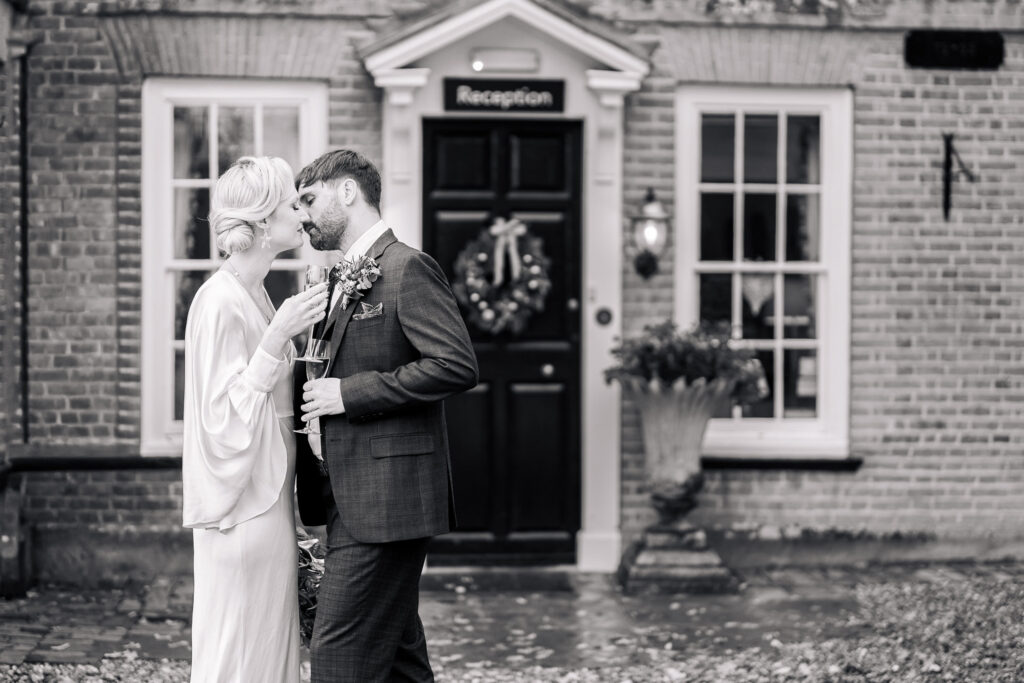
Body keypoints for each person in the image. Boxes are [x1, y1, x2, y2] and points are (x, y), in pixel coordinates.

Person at [293, 149, 478, 682]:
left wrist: (349, 394)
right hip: (347, 496)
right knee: (400, 664)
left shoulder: (407, 268)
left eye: (309, 199)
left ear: (347, 192)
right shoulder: (338, 280)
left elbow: (455, 365)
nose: (302, 216)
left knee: (338, 659)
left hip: (387, 499)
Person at [181, 156, 329, 683]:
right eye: (294, 202)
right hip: (243, 512)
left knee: (269, 650)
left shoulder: (259, 295)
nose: (302, 211)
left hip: (271, 502)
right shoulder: (218, 301)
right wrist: (276, 337)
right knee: (238, 652)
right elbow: (219, 418)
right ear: (265, 221)